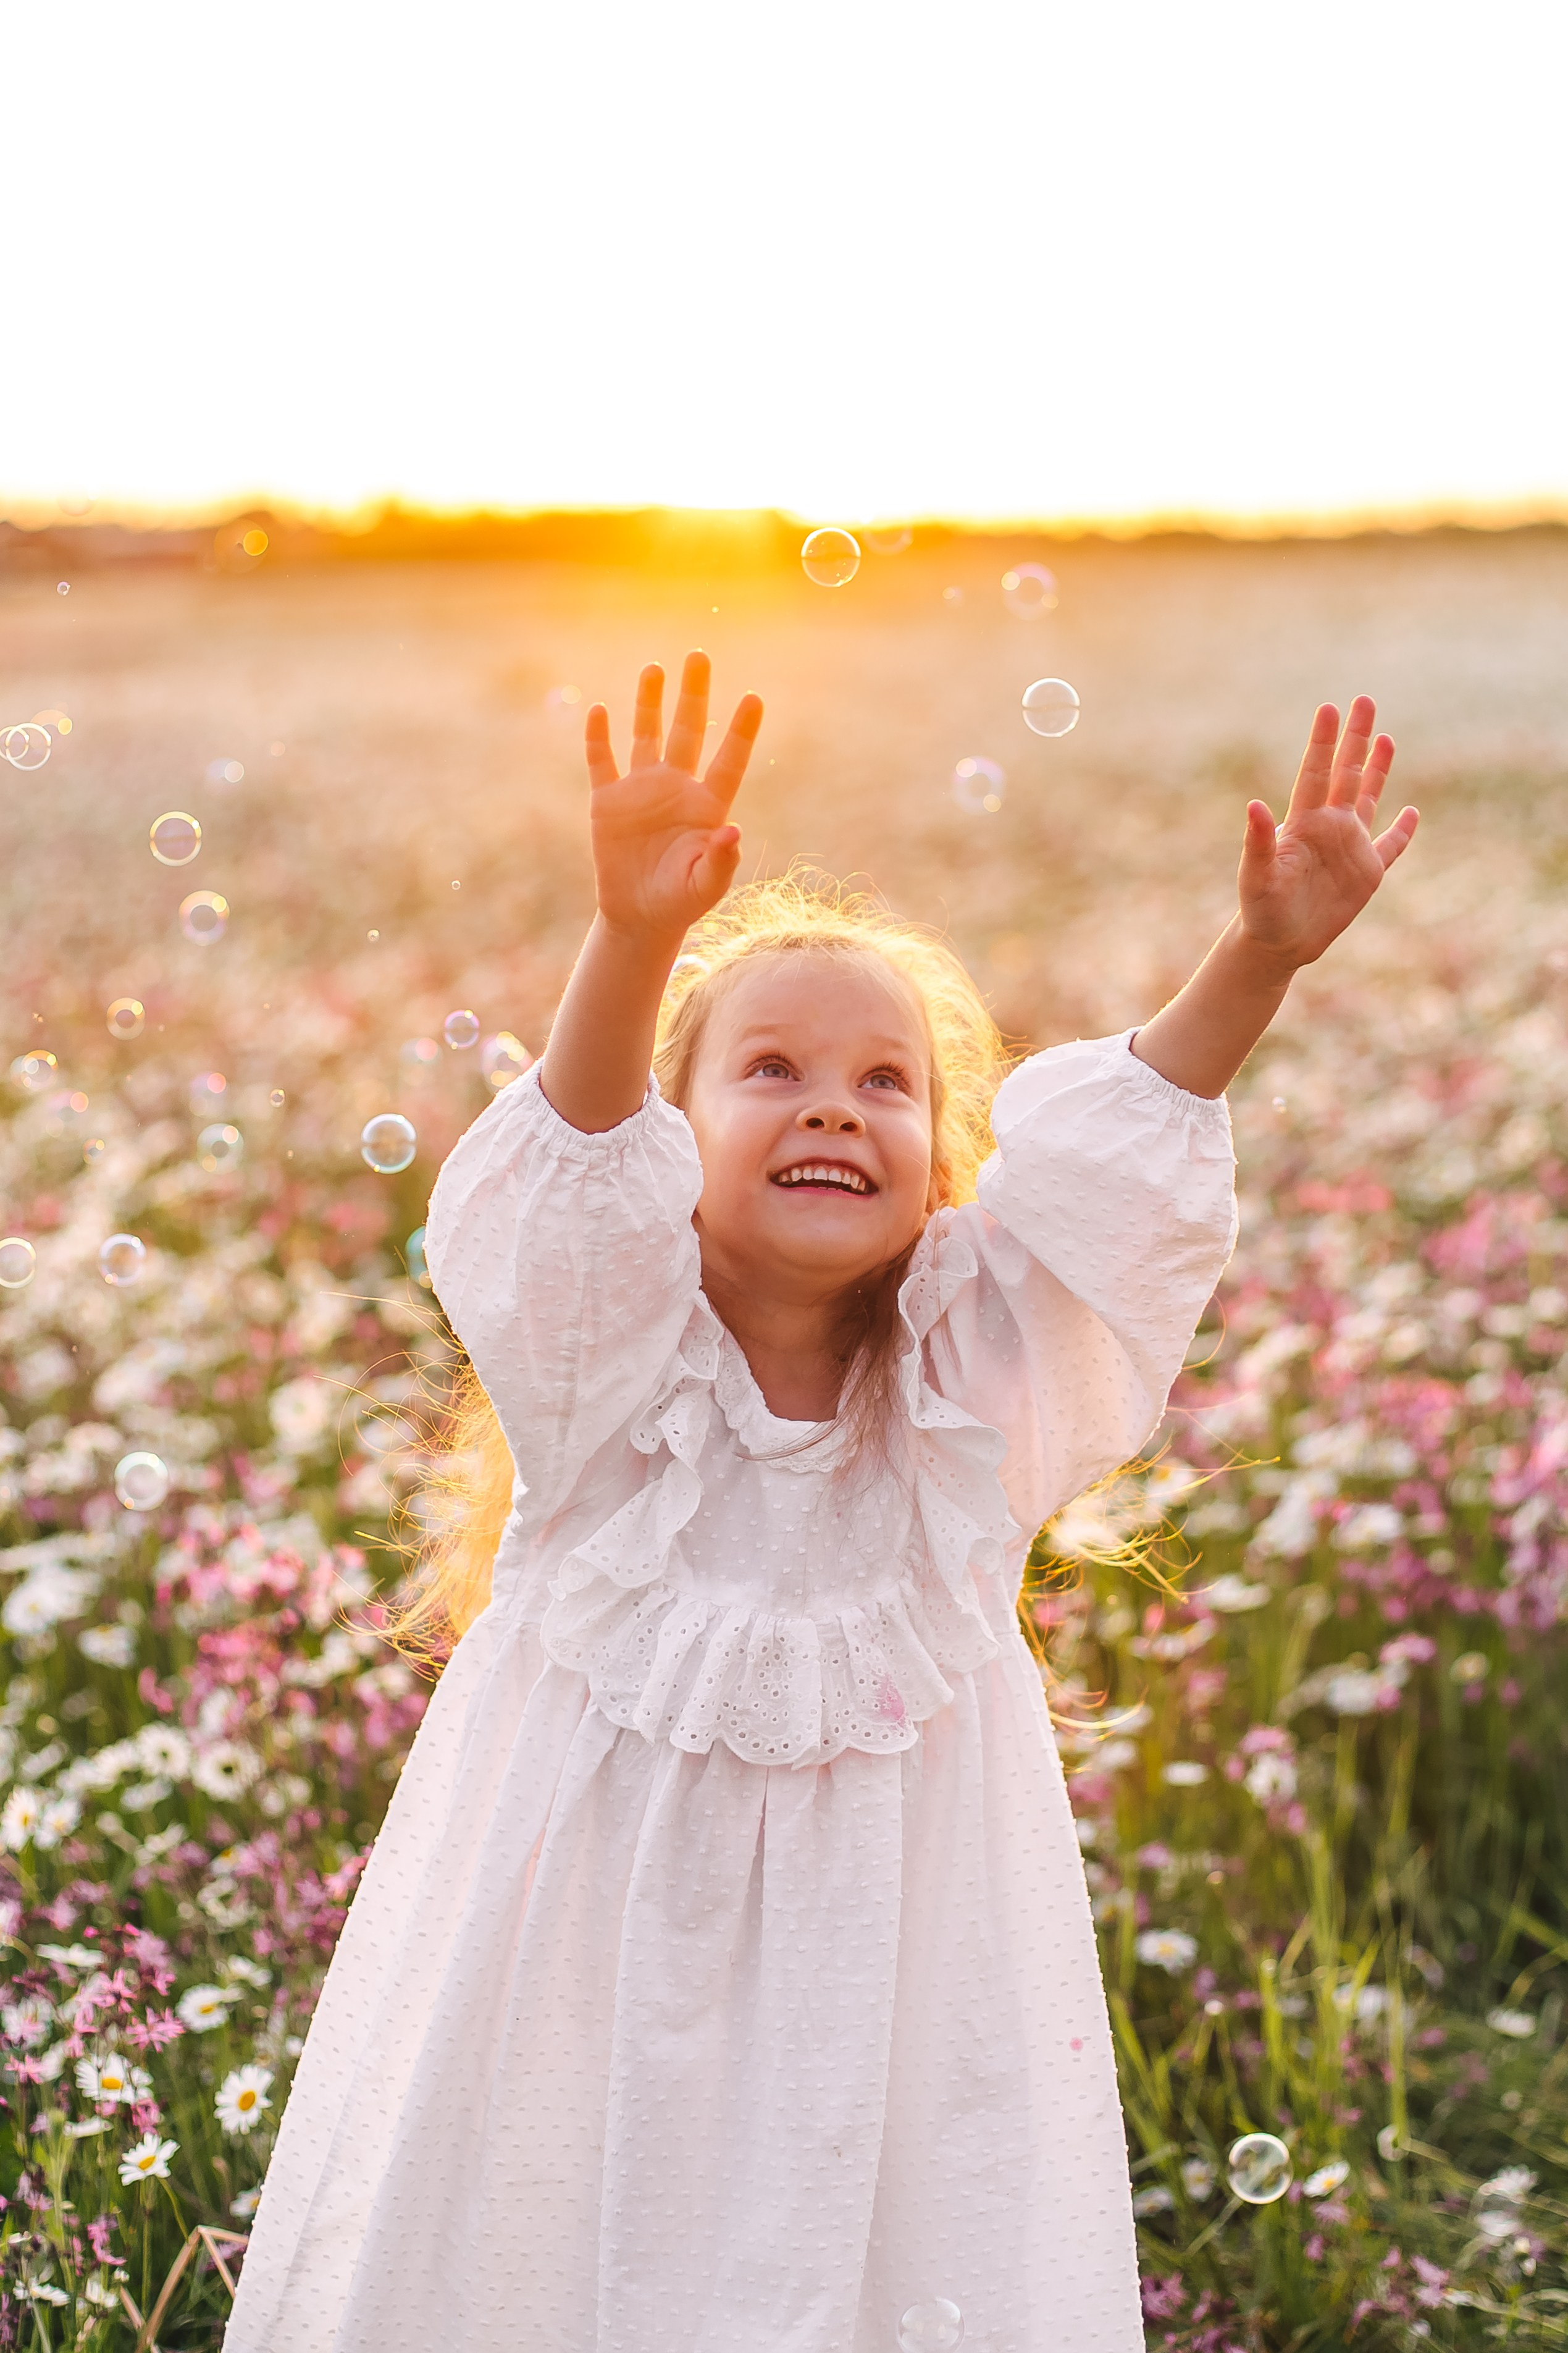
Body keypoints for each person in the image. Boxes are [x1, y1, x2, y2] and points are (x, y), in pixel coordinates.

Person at [225, 654, 1417, 2353]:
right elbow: (566, 1167)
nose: (831, 1105)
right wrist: (633, 937)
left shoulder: (970, 1396)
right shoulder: (606, 1389)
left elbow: (1125, 1159)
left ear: (942, 1162)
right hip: (581, 1980)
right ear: (674, 1144)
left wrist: (1260, 953)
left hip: (895, 2000)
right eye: (769, 1070)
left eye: (884, 1083)